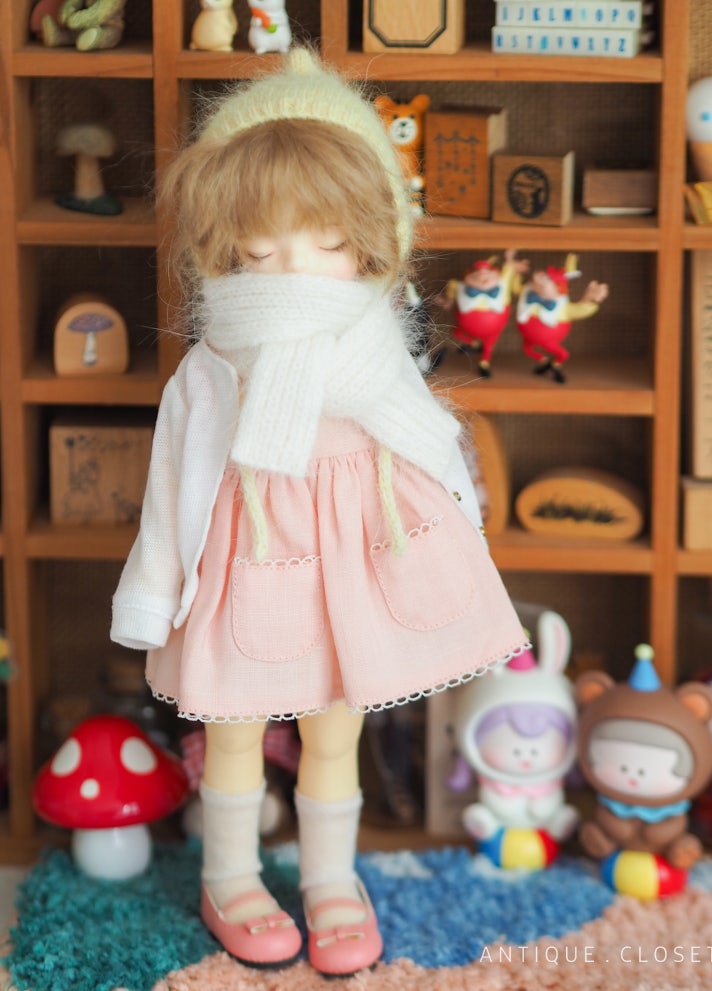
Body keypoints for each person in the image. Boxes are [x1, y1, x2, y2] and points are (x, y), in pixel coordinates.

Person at [110, 48, 526, 977]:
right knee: (233, 729)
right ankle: (230, 875)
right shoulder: (216, 361)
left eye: (327, 237)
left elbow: (427, 445)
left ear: (373, 233)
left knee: (337, 726)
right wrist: (153, 593)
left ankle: (331, 877)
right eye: (262, 244)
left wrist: (465, 534)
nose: (293, 262)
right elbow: (174, 483)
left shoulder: (375, 344)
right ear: (223, 242)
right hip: (250, 560)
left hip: (360, 561)